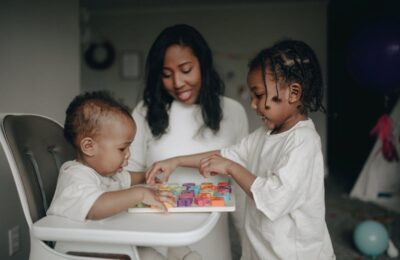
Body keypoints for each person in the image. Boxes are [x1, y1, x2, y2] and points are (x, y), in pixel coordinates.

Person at [145, 39, 336, 259]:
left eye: (259, 95)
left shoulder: (304, 141)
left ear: (293, 93)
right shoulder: (263, 136)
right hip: (263, 250)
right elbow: (223, 155)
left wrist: (232, 168)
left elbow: (274, 198)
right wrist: (176, 161)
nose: (253, 104)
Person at [126, 24, 249, 260]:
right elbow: (129, 177)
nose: (178, 82)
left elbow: (241, 187)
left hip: (213, 241)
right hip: (156, 238)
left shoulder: (233, 112)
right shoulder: (144, 112)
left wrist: (247, 243)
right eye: (166, 74)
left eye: (186, 69)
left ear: (203, 64)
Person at [47, 91, 199, 260]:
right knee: (148, 255)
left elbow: (129, 178)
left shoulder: (108, 173)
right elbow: (95, 207)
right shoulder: (74, 177)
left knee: (169, 244)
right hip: (81, 250)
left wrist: (147, 176)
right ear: (89, 147)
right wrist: (140, 193)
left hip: (109, 241)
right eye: (122, 149)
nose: (128, 155)